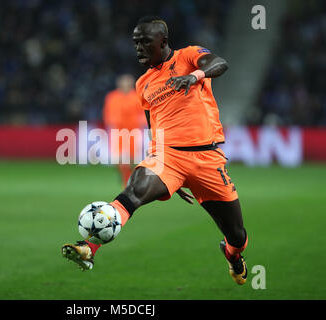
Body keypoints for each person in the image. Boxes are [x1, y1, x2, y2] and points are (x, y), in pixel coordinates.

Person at [62, 16, 248, 285]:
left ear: (163, 42)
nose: (138, 48)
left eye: (145, 42)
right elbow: (154, 126)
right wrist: (167, 172)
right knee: (133, 191)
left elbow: (220, 64)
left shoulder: (189, 56)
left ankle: (233, 256)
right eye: (135, 42)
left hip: (207, 159)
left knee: (237, 235)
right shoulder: (143, 84)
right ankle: (88, 248)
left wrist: (193, 76)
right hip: (168, 158)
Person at [102, 74, 147, 188]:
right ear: (119, 84)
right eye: (123, 83)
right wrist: (110, 122)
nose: (125, 85)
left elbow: (143, 112)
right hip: (118, 132)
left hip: (134, 131)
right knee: (118, 159)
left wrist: (142, 121)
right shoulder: (112, 96)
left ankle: (130, 180)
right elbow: (108, 112)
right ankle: (126, 178)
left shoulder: (137, 95)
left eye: (127, 83)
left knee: (133, 158)